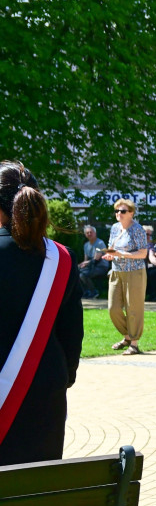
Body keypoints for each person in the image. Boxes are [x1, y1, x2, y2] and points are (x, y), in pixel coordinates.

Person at [0, 160, 83, 466]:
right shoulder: (61, 258)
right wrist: (63, 376)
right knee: (39, 489)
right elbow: (72, 331)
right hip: (47, 389)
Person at [102, 199, 148, 355]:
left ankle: (134, 344)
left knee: (133, 308)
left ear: (131, 213)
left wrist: (122, 254)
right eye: (116, 211)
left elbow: (143, 253)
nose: (118, 214)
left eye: (122, 211)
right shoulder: (115, 228)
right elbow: (112, 249)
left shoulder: (138, 229)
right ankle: (127, 337)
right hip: (116, 270)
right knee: (113, 308)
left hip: (134, 272)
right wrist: (110, 256)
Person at [79, 225, 109, 299]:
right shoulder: (86, 245)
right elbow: (85, 260)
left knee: (83, 275)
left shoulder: (100, 243)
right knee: (76, 272)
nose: (89, 234)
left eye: (91, 232)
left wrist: (85, 263)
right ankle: (85, 292)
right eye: (87, 233)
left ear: (95, 233)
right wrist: (81, 265)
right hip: (91, 265)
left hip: (101, 266)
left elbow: (96, 259)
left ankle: (94, 292)